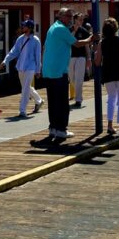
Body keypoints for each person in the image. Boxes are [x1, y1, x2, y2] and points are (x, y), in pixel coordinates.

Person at [42, 9, 95, 143]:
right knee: (62, 103)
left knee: (53, 102)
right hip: (58, 71)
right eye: (68, 16)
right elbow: (76, 43)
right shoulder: (61, 29)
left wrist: (74, 28)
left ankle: (53, 128)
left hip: (49, 71)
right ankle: (61, 129)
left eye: (71, 16)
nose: (71, 19)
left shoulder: (53, 27)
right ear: (60, 16)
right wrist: (90, 39)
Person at [0, 19, 43, 118]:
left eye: (24, 26)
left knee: (25, 88)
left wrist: (38, 70)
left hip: (30, 67)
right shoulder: (20, 39)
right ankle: (38, 100)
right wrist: (5, 61)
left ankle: (22, 110)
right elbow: (13, 51)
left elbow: (38, 56)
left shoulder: (36, 40)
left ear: (30, 28)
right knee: (25, 87)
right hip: (20, 66)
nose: (22, 27)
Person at [68, 14, 92, 108]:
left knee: (79, 79)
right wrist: (74, 30)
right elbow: (69, 40)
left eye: (82, 20)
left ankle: (78, 99)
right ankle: (76, 95)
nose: (81, 21)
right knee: (72, 78)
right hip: (70, 56)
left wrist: (89, 58)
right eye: (79, 19)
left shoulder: (84, 31)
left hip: (81, 57)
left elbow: (86, 45)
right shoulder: (69, 29)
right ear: (75, 20)